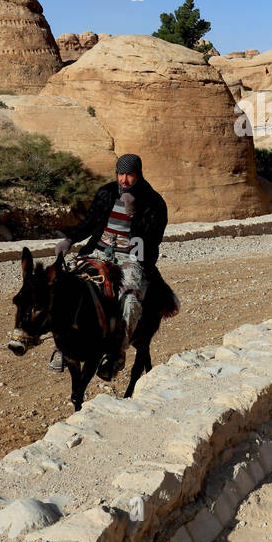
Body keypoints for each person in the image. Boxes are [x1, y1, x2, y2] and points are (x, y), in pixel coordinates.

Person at [50, 154, 168, 379]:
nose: (124, 180)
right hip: (98, 251)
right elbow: (90, 223)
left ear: (139, 175)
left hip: (132, 257)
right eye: (120, 174)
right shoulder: (106, 193)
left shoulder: (153, 202)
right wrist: (70, 239)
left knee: (131, 301)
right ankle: (62, 348)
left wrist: (134, 214)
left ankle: (118, 353)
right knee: (64, 287)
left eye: (129, 175)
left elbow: (151, 242)